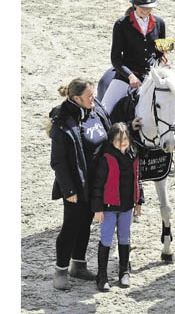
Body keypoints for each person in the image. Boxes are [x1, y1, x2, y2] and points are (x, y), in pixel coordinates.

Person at [48, 78, 111, 290]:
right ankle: (61, 270)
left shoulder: (96, 108)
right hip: (76, 184)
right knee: (71, 226)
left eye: (93, 94)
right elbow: (58, 161)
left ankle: (79, 265)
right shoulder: (62, 120)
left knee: (86, 223)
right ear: (76, 98)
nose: (94, 99)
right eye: (89, 96)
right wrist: (69, 189)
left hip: (95, 183)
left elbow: (109, 132)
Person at [101, 0, 166, 114]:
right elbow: (116, 58)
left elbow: (159, 53)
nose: (147, 10)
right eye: (143, 7)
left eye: (149, 7)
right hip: (127, 75)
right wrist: (130, 76)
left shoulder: (160, 23)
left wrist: (163, 58)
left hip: (151, 75)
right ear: (134, 5)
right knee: (105, 110)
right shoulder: (121, 24)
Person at [91, 123, 141, 291]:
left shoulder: (134, 155)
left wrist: (138, 201)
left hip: (126, 207)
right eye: (119, 140)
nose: (122, 142)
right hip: (109, 207)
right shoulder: (106, 158)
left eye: (125, 139)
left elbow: (137, 180)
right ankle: (102, 275)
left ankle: (124, 271)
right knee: (106, 239)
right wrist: (97, 209)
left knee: (125, 238)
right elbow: (97, 186)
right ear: (111, 140)